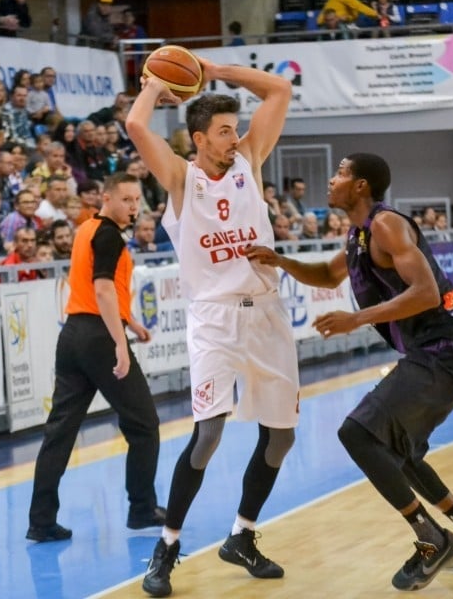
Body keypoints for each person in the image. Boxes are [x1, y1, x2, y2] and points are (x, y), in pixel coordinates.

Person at [245, 152, 453, 592]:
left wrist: (356, 319)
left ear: (362, 186)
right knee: (399, 451)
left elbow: (424, 293)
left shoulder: (386, 225)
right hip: (434, 350)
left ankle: (431, 539)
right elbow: (328, 276)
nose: (332, 179)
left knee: (359, 434)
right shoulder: (358, 233)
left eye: (342, 173)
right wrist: (281, 261)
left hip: (445, 345)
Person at [127, 56, 299, 597]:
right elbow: (136, 126)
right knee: (209, 434)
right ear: (198, 138)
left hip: (268, 312)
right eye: (223, 131)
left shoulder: (250, 158)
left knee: (282, 438)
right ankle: (167, 548)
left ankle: (242, 536)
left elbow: (278, 90)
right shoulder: (181, 176)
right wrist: (158, 86)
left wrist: (209, 68)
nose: (233, 137)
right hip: (215, 321)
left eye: (234, 128)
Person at [26, 171, 163, 542]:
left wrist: (130, 320)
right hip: (99, 337)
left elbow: (94, 286)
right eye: (126, 199)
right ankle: (141, 508)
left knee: (60, 432)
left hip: (73, 334)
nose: (134, 206)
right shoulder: (108, 235)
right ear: (106, 198)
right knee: (145, 425)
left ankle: (40, 521)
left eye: (137, 200)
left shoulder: (87, 228)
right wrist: (120, 342)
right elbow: (102, 290)